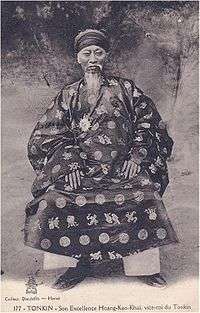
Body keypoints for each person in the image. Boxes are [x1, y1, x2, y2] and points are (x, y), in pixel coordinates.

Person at [24, 29, 178, 290]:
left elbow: (149, 124)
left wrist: (137, 156)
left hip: (124, 168)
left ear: (105, 56)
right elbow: (47, 135)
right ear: (78, 59)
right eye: (87, 53)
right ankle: (76, 267)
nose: (93, 58)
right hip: (82, 170)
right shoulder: (68, 95)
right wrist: (68, 163)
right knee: (54, 200)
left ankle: (144, 268)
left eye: (98, 52)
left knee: (147, 196)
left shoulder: (126, 89)